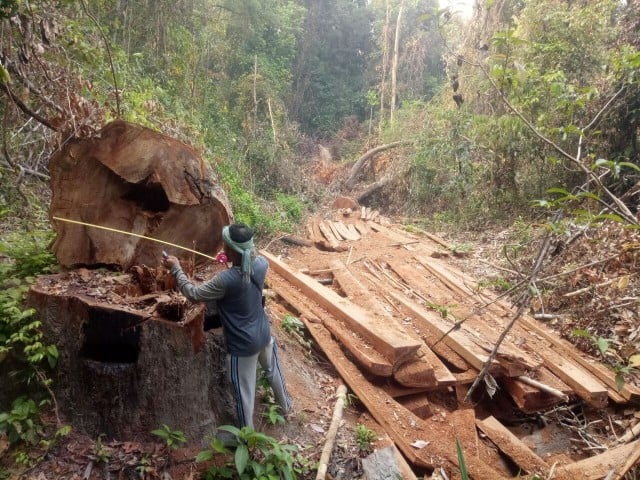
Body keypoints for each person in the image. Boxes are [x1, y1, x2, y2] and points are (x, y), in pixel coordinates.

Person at [162, 223, 292, 430]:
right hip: (264, 334)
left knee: (243, 393)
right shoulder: (261, 265)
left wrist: (176, 269)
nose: (222, 248)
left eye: (225, 246)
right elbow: (248, 265)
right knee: (273, 371)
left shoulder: (226, 280)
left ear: (232, 250)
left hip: (242, 347)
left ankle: (247, 438)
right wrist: (232, 261)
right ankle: (286, 407)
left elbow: (193, 294)